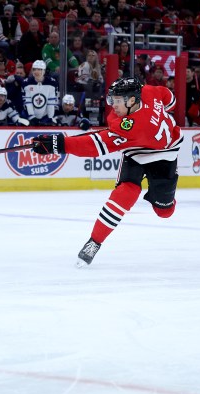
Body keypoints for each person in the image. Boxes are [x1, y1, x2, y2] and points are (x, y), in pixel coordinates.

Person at [32, 77, 182, 267]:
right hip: (136, 152)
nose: (113, 105)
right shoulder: (148, 91)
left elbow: (94, 146)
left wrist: (58, 144)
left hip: (165, 154)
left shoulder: (131, 128)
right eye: (113, 99)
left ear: (132, 100)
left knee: (165, 212)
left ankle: (165, 195)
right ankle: (94, 242)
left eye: (117, 101)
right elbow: (170, 100)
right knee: (126, 193)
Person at [22, 60, 58, 125]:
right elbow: (27, 101)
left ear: (44, 71)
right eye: (34, 69)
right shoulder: (26, 83)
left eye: (39, 69)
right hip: (29, 116)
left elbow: (51, 102)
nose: (36, 72)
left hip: (45, 116)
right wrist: (31, 116)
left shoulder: (52, 83)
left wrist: (50, 117)